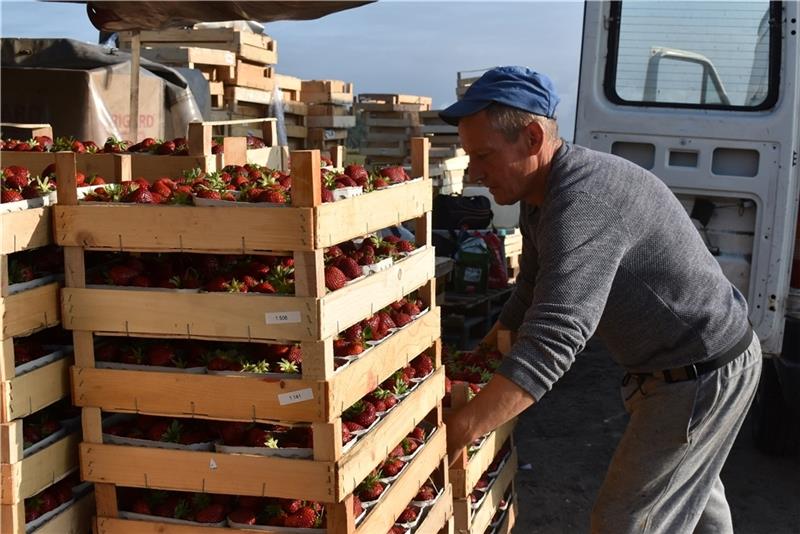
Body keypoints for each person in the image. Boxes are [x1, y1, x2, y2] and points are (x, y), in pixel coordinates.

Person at [439, 66, 762, 534]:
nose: (474, 171)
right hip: (689, 367)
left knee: (626, 522)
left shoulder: (583, 200)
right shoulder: (542, 197)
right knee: (693, 507)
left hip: (698, 375)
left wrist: (462, 428)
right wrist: (482, 356)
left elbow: (554, 336)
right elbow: (529, 294)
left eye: (484, 155)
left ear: (532, 138)